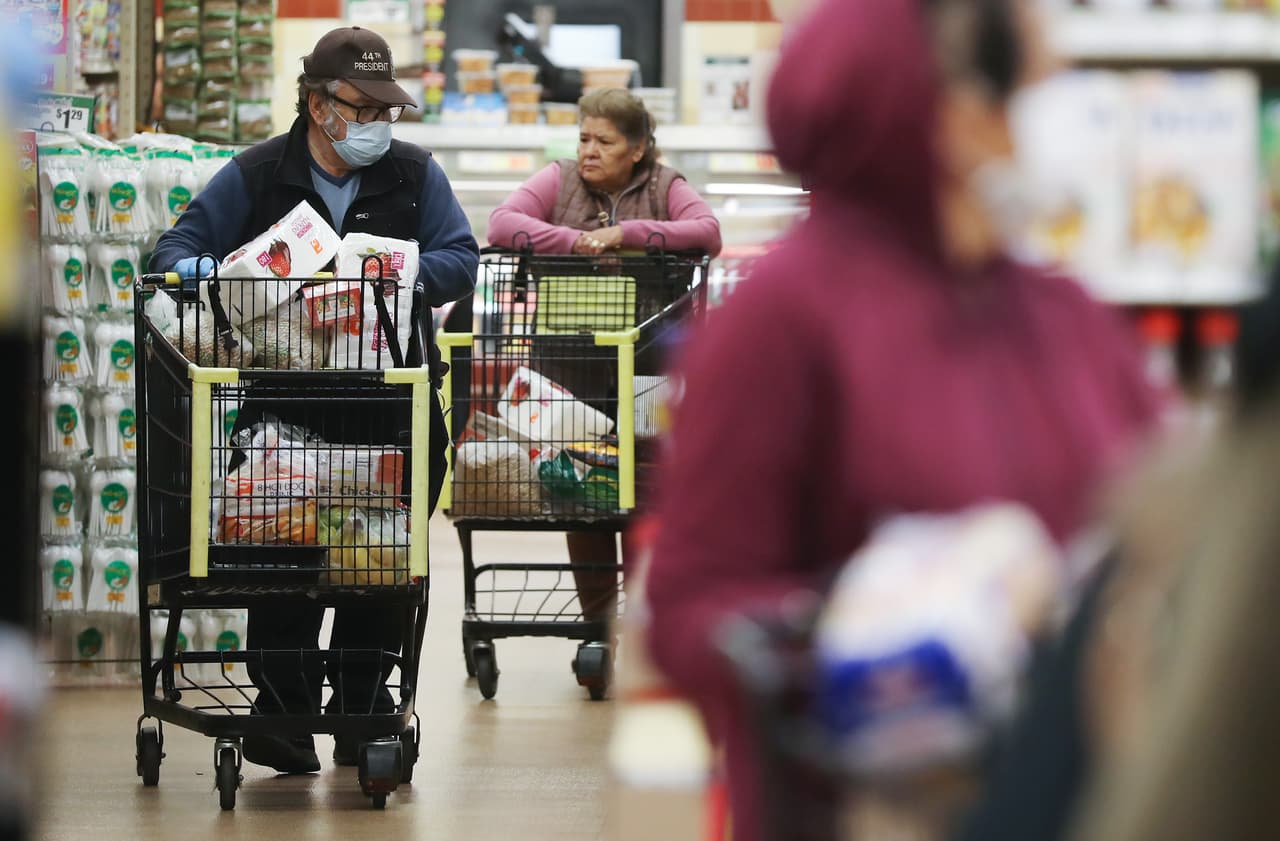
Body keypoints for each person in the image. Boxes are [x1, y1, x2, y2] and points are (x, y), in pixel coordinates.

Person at [642, 1, 1159, 840]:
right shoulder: (783, 318)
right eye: (1032, 79)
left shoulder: (1063, 314)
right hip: (876, 809)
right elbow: (692, 612)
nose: (1063, 91)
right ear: (944, 103)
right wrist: (887, 623)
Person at [149, 25, 479, 774]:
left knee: (377, 563)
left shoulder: (417, 176)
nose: (374, 125)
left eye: (383, 111)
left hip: (390, 412)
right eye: (359, 109)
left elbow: (461, 258)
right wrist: (226, 274)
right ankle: (284, 711)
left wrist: (398, 279)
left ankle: (364, 708)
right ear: (316, 104)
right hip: (284, 412)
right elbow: (174, 250)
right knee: (282, 559)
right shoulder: (259, 173)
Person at [486, 88, 721, 621]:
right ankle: (598, 623)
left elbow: (707, 232)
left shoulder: (666, 185)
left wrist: (628, 234)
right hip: (571, 365)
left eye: (605, 141)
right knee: (582, 492)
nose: (589, 150)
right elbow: (502, 222)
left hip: (649, 365)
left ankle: (637, 621)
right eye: (584, 138)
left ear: (637, 148)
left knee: (644, 490)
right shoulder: (559, 178)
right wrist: (574, 241)